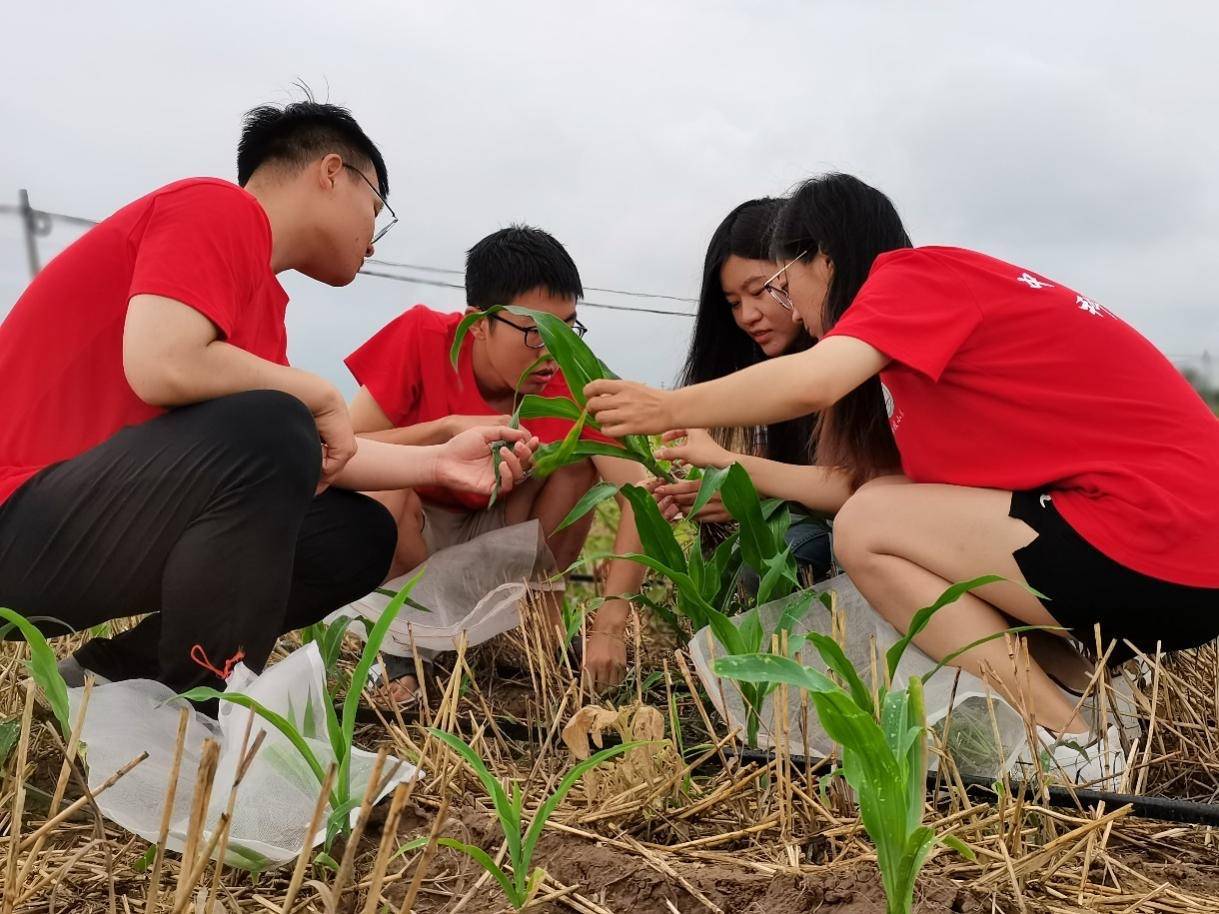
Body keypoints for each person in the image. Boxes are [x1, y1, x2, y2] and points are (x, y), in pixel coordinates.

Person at [586, 172, 1219, 781]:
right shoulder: (922, 354)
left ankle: (1068, 740)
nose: (785, 308)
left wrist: (665, 406)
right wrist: (732, 464)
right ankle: (1093, 706)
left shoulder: (915, 275)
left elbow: (816, 384)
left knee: (865, 527)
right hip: (1167, 551)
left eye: (780, 283)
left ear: (823, 260)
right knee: (882, 505)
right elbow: (864, 486)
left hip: (1158, 538)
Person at [0, 99, 534, 698]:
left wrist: (438, 462)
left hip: (82, 533)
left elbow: (312, 453)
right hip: (17, 518)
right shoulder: (215, 207)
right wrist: (316, 394)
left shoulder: (263, 307)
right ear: (332, 172)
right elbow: (161, 361)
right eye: (375, 211)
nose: (373, 243)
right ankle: (203, 712)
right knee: (276, 425)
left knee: (355, 536)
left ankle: (108, 680)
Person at [346, 226, 648, 700]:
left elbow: (640, 493)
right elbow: (344, 447)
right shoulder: (422, 337)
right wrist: (443, 431)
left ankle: (530, 616)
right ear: (478, 324)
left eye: (566, 329)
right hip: (417, 532)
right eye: (534, 332)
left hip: (502, 530)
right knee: (380, 484)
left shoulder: (572, 376)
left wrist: (611, 622)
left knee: (582, 465)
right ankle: (406, 644)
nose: (551, 350)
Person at [650, 198, 834, 582]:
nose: (748, 316)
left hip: (863, 530)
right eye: (734, 303)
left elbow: (850, 483)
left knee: (776, 557)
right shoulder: (767, 368)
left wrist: (743, 489)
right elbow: (795, 475)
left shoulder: (840, 357)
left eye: (762, 290)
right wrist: (724, 495)